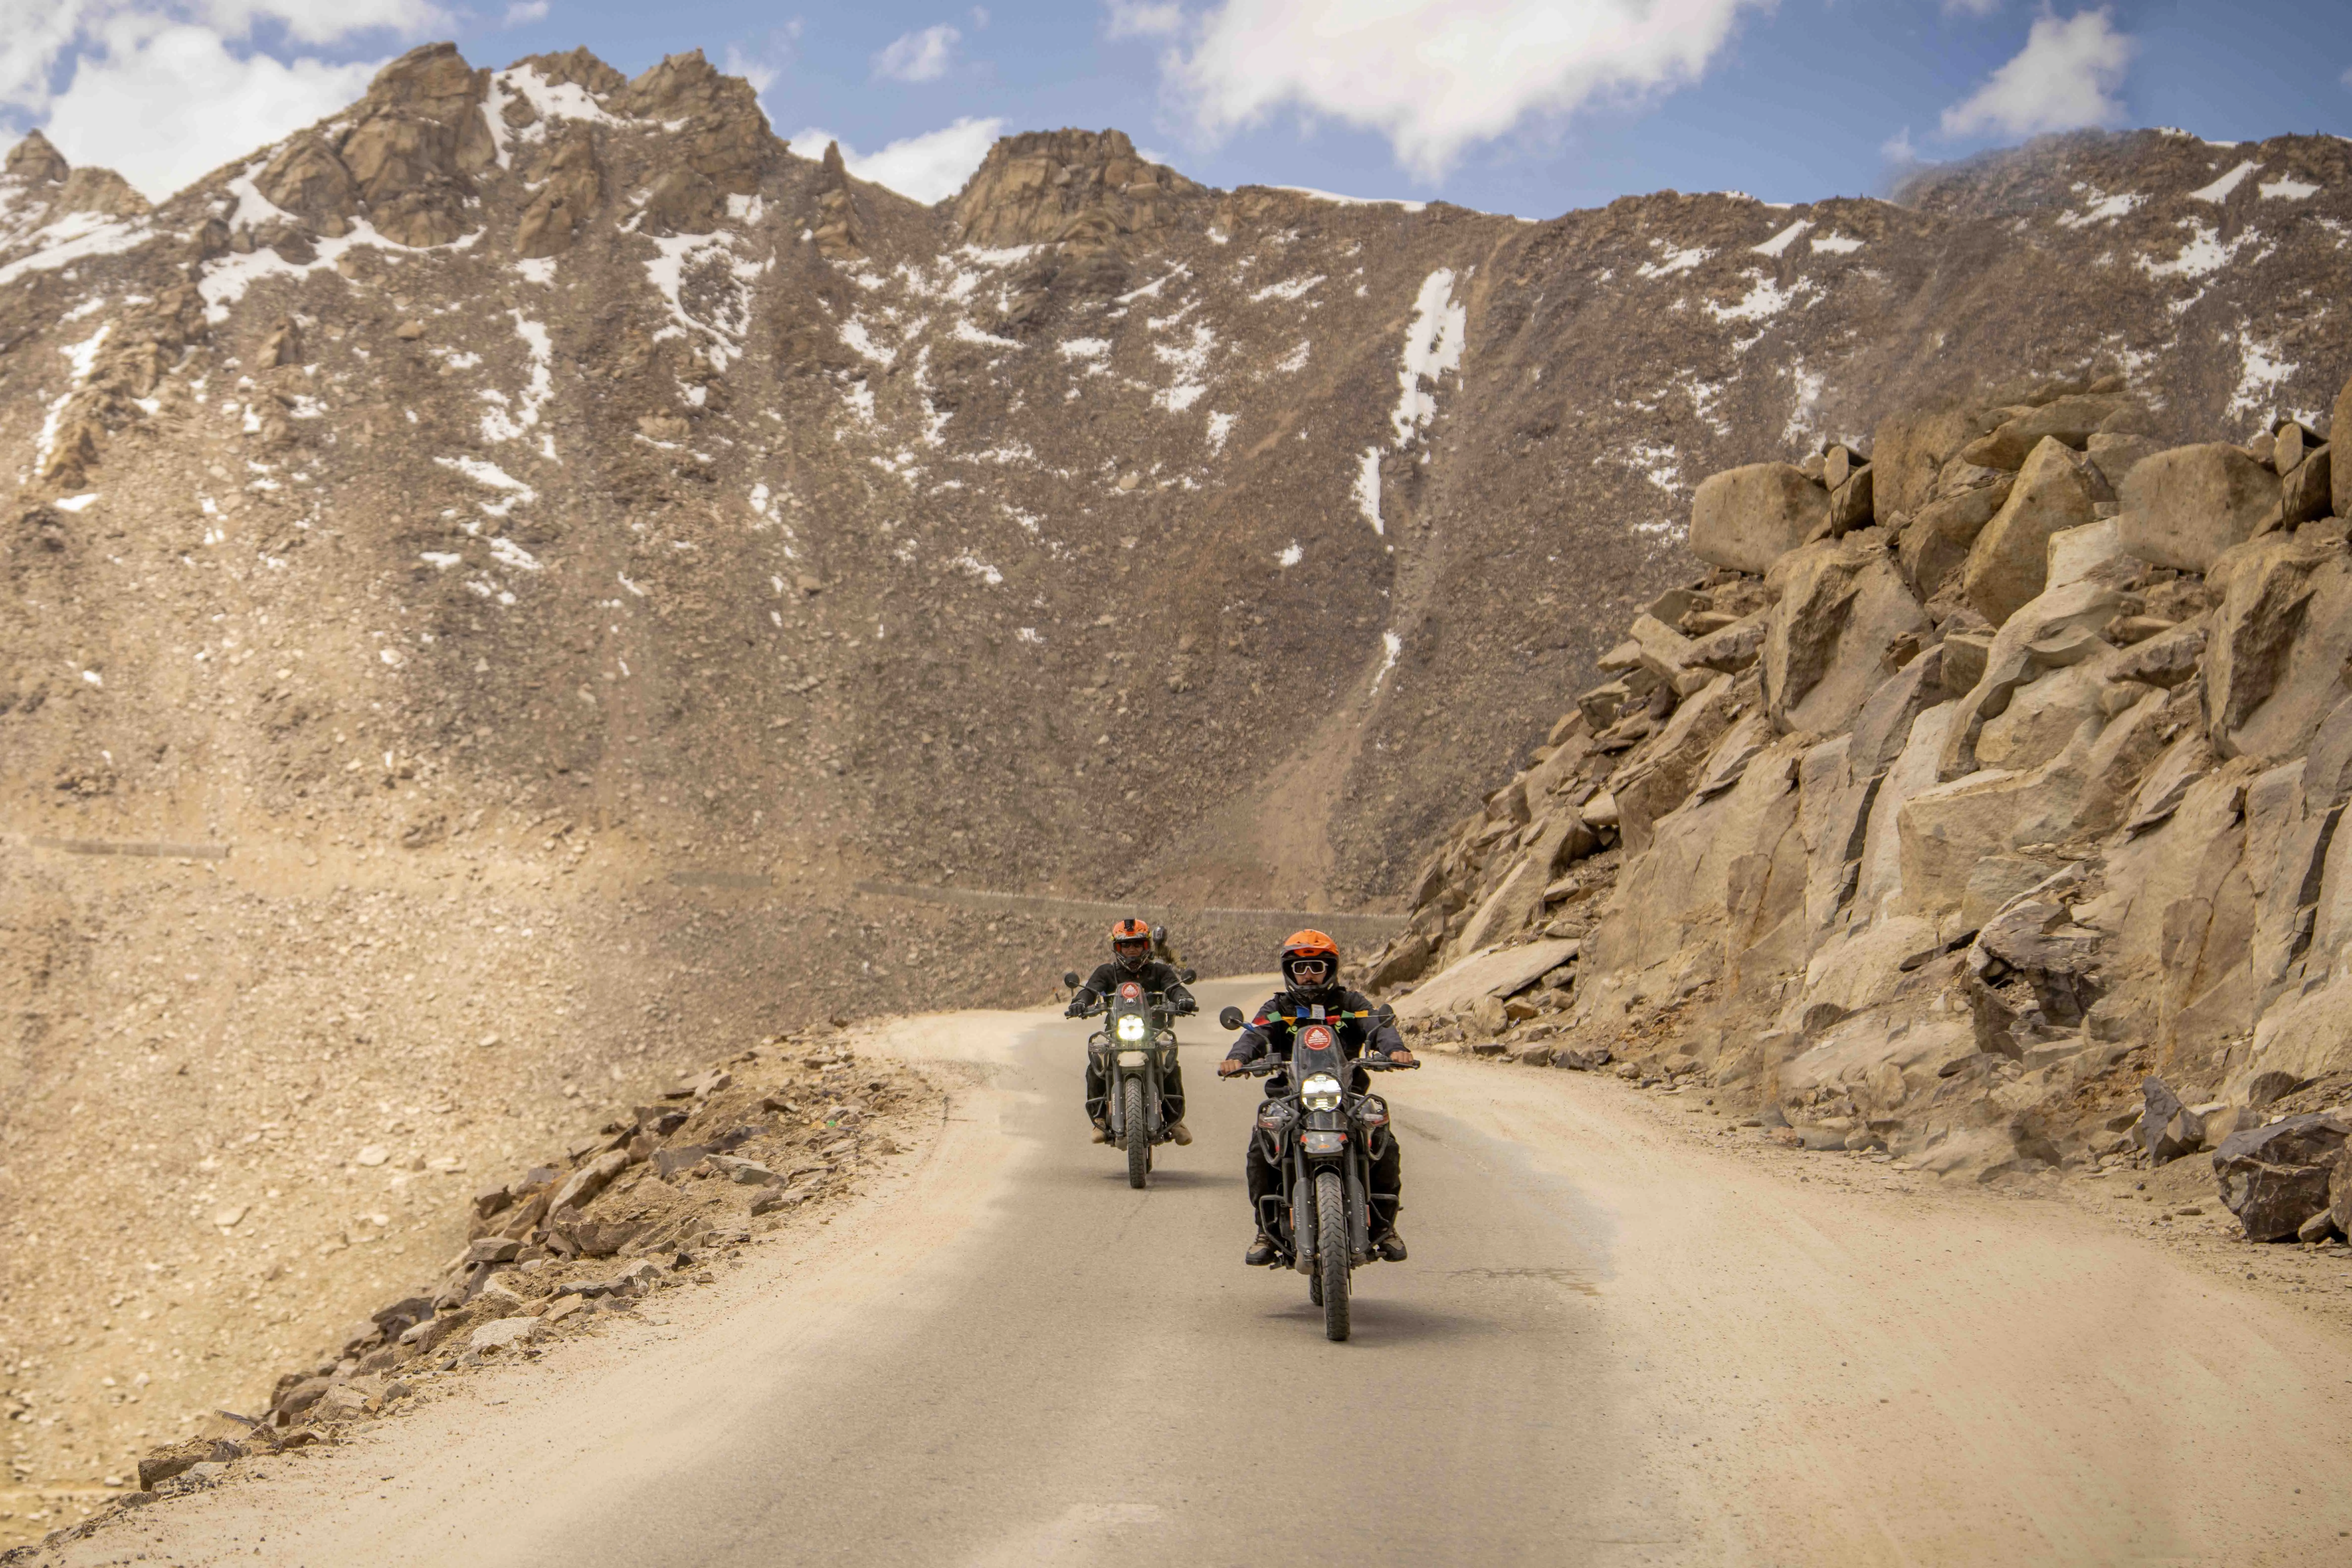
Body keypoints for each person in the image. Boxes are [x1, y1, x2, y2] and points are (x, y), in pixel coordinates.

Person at [1217, 929, 1415, 1265]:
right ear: (1290, 973)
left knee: (1384, 1139)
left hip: (1346, 1096)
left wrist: (1395, 1050)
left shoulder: (1351, 1005)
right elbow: (1257, 1033)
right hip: (1293, 1098)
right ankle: (1265, 1231)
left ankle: (1385, 1225)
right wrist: (1239, 1058)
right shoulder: (1279, 1008)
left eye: (1317, 968)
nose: (1309, 976)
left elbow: (1378, 1027)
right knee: (1260, 1146)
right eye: (1301, 969)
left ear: (1331, 969)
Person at [1068, 917, 1196, 1145]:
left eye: (1137, 944)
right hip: (1117, 1031)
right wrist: (1080, 1002)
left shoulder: (1160, 970)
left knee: (1170, 1064)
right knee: (1097, 1063)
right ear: (1117, 948)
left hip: (1154, 1031)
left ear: (1146, 946)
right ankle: (1099, 1119)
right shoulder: (1107, 972)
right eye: (1126, 946)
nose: (1132, 950)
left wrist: (1184, 999)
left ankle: (1175, 1121)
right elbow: (1090, 990)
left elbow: (1175, 988)